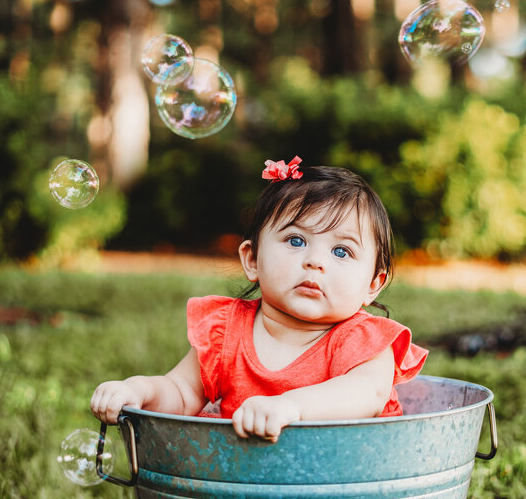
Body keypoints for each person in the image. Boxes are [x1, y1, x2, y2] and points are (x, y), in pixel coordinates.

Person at [90, 156, 427, 442]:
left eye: (341, 251)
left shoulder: (364, 341)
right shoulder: (226, 332)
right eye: (296, 241)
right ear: (252, 260)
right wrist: (139, 390)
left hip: (347, 482)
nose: (316, 261)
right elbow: (180, 394)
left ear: (373, 284)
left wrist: (290, 407)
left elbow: (367, 394)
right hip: (247, 486)